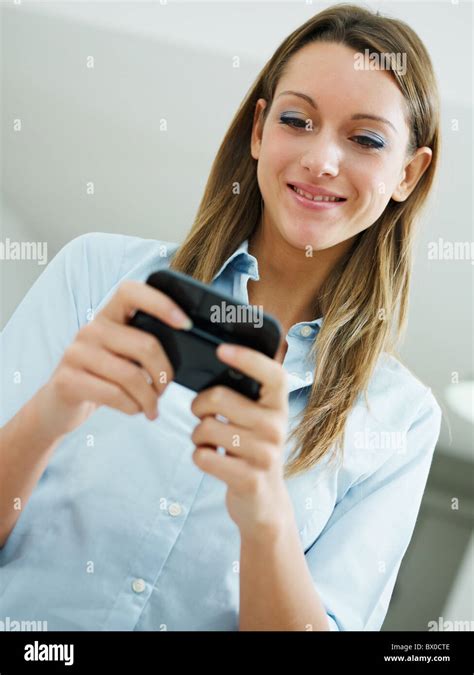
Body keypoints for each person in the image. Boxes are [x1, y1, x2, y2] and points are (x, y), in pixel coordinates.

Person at [0, 3, 442, 631]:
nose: (321, 160)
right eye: (298, 119)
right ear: (260, 130)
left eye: (365, 139)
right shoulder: (96, 275)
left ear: (408, 172)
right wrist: (51, 412)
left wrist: (266, 516)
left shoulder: (401, 419)